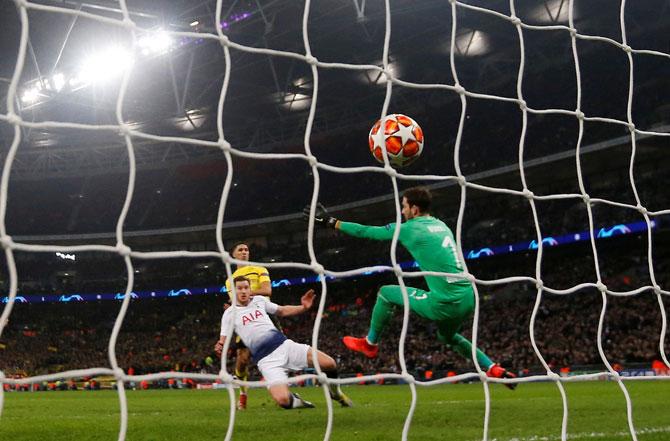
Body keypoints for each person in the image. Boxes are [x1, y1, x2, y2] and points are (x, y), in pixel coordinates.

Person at [303, 186, 517, 389]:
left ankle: (370, 344)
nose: (402, 211)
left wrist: (332, 222)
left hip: (444, 304)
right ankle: (493, 368)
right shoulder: (442, 225)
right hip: (468, 297)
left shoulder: (408, 228)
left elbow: (365, 231)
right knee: (448, 338)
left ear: (414, 209)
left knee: (386, 293)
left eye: (404, 206)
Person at [215, 276, 353, 409]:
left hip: (285, 346)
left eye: (246, 287)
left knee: (330, 364)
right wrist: (220, 346)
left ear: (250, 289)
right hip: (267, 361)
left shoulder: (259, 300)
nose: (243, 291)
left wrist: (303, 307)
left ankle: (336, 393)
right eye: (239, 288)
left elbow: (281, 310)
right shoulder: (229, 314)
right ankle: (297, 401)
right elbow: (223, 338)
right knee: (283, 400)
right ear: (233, 291)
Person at [224, 241, 274, 410]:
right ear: (233, 255)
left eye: (246, 249)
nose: (245, 252)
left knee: (274, 359)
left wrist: (245, 293)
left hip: (263, 318)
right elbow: (235, 302)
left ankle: (284, 392)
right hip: (244, 321)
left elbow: (267, 291)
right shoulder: (229, 281)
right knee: (242, 360)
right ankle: (243, 395)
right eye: (240, 249)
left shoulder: (260, 269)